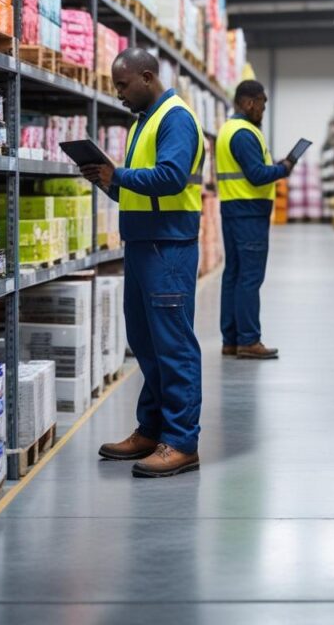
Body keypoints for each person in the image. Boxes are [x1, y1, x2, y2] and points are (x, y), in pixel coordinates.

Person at [80, 47, 205, 478]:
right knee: (147, 344)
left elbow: (170, 178)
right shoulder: (143, 123)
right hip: (141, 244)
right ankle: (151, 429)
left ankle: (182, 441)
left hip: (168, 247)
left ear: (147, 78)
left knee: (173, 346)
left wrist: (118, 175)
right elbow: (138, 189)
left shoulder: (176, 118)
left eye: (122, 85)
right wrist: (107, 182)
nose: (118, 94)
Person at [216, 80, 292, 359]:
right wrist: (283, 168)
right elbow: (257, 175)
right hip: (249, 213)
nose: (263, 109)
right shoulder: (244, 133)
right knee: (249, 277)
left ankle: (231, 339)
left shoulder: (228, 129)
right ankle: (248, 340)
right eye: (262, 104)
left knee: (234, 275)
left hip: (233, 209)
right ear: (249, 103)